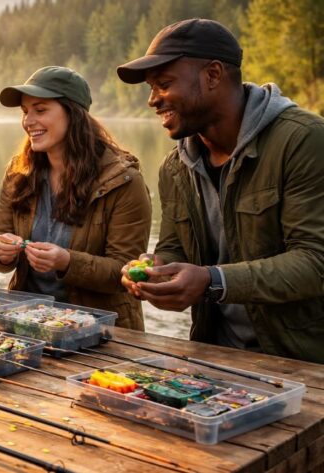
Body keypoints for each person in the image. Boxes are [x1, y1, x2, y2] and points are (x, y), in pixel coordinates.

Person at [117, 19, 324, 363]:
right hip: (215, 357)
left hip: (303, 364)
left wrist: (212, 281)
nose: (153, 100)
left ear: (212, 75)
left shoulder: (305, 141)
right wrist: (155, 268)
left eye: (164, 84)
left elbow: (316, 261)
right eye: (151, 88)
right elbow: (173, 246)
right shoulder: (174, 166)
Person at [0, 67, 152, 330]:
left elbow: (126, 272)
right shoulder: (19, 172)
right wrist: (0, 251)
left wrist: (67, 262)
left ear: (73, 114)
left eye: (40, 110)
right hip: (27, 324)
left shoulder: (124, 181)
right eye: (25, 112)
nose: (28, 121)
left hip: (101, 333)